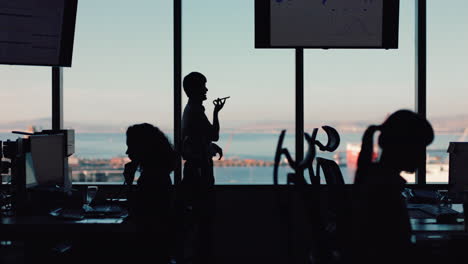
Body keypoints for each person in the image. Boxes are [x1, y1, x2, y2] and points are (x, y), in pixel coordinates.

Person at [350, 110, 434, 263]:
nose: (422, 157)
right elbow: (395, 251)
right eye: (419, 147)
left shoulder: (374, 179)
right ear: (403, 147)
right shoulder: (386, 191)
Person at [178, 72, 226, 264]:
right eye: (204, 86)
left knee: (199, 219)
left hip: (196, 169)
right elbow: (214, 135)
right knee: (203, 217)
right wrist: (216, 113)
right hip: (200, 171)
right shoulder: (196, 110)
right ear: (195, 89)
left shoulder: (191, 109)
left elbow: (198, 138)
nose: (207, 89)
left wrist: (207, 145)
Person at [123, 123, 176, 263]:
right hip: (159, 245)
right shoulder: (159, 174)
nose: (127, 152)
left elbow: (137, 212)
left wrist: (128, 183)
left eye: (131, 146)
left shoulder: (151, 178)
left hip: (150, 247)